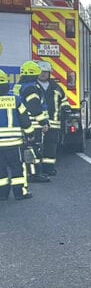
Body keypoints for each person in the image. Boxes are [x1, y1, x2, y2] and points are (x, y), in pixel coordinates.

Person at [12, 60, 50, 183]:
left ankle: (30, 173)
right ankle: (35, 174)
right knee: (34, 150)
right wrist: (43, 122)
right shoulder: (31, 88)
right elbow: (34, 107)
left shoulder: (19, 86)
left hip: (23, 124)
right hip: (33, 124)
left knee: (27, 149)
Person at [0, 69, 35, 200]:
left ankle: (2, 194)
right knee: (17, 168)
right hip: (14, 143)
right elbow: (24, 119)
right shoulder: (16, 99)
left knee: (0, 170)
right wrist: (30, 133)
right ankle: (19, 193)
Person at [35, 61, 69, 176]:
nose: (43, 74)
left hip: (53, 123)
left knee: (51, 146)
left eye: (46, 72)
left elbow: (63, 100)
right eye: (41, 71)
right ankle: (36, 170)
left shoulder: (56, 87)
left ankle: (49, 168)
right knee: (35, 147)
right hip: (36, 123)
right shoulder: (33, 86)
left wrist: (66, 108)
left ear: (49, 73)